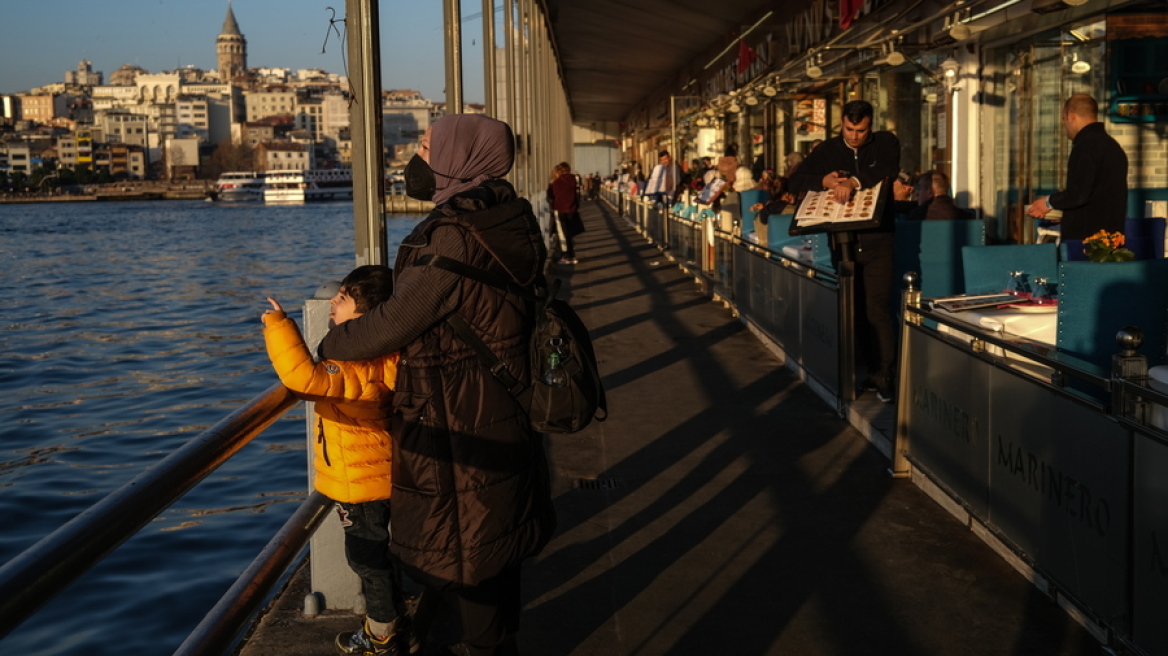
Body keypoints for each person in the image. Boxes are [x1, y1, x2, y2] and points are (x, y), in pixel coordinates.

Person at [318, 114, 556, 656]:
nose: (417, 159)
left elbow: (393, 323)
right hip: (500, 398)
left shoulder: (454, 235)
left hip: (459, 412)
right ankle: (499, 642)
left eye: (427, 147)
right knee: (495, 536)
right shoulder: (507, 215)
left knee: (470, 543)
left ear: (459, 159)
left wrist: (331, 345)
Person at [261, 266, 419, 656]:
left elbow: (304, 380)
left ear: (364, 314)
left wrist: (279, 324)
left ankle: (381, 638)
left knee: (367, 559)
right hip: (382, 472)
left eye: (343, 297)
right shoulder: (389, 353)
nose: (332, 301)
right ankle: (397, 626)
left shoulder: (352, 361)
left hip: (358, 481)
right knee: (381, 555)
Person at [788, 99, 901, 403]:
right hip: (842, 241)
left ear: (870, 125)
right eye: (849, 129)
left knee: (876, 309)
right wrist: (821, 180)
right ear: (841, 124)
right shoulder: (827, 150)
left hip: (878, 239)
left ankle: (885, 375)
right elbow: (795, 178)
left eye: (860, 130)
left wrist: (853, 181)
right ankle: (869, 370)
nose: (854, 136)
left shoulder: (886, 142)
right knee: (856, 311)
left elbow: (888, 167)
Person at [1028, 93, 1129, 240]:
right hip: (1111, 238)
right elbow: (1100, 196)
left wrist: (1048, 202)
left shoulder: (1085, 146)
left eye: (1063, 119)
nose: (1064, 125)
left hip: (1086, 242)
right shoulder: (1113, 146)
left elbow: (1079, 194)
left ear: (1071, 116)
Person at [547, 161, 585, 264]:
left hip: (560, 210)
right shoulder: (573, 180)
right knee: (569, 234)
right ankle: (571, 255)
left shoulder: (557, 182)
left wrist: (551, 184)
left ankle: (566, 256)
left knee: (563, 234)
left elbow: (551, 195)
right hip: (572, 210)